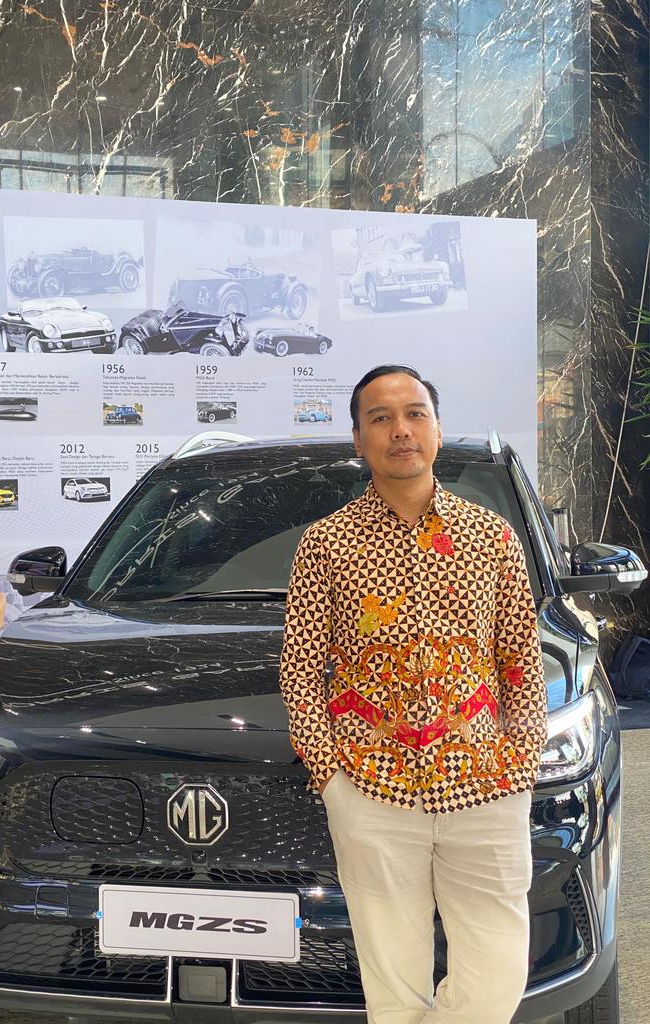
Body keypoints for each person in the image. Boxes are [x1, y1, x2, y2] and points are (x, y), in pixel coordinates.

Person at [279, 364, 548, 1024]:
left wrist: (520, 762)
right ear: (358, 439)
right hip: (371, 787)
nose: (400, 429)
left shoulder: (492, 538)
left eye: (414, 413)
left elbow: (520, 660)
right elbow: (301, 671)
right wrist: (331, 778)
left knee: (497, 974)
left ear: (437, 429)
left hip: (485, 781)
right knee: (393, 985)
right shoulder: (326, 545)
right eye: (381, 417)